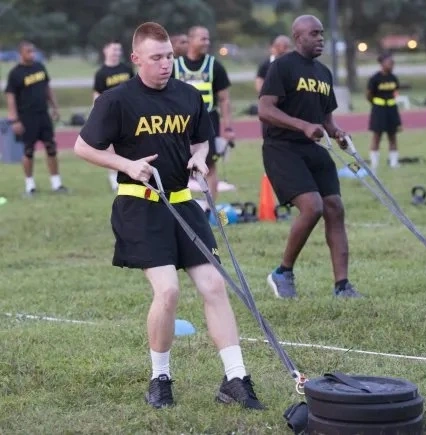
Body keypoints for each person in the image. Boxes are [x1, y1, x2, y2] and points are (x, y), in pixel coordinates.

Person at [73, 22, 264, 410]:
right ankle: (160, 378)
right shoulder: (116, 100)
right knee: (169, 290)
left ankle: (236, 379)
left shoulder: (188, 95)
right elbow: (82, 147)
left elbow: (201, 137)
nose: (165, 65)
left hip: (182, 202)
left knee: (213, 285)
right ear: (136, 58)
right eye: (157, 57)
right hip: (139, 205)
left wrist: (197, 158)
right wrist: (126, 164)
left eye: (169, 58)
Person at [258, 14, 361, 299]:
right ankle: (282, 273)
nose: (320, 39)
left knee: (334, 208)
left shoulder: (323, 72)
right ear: (298, 37)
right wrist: (302, 125)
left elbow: (326, 118)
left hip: (314, 149)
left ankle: (342, 286)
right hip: (282, 148)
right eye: (314, 34)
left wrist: (337, 133)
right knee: (312, 206)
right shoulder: (282, 67)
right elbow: (265, 109)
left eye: (322, 33)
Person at [172, 25, 235, 208]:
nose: (207, 42)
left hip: (208, 122)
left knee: (209, 165)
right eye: (202, 38)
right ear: (191, 40)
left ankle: (210, 208)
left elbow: (224, 99)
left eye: (208, 38)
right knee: (178, 163)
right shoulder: (175, 66)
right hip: (181, 123)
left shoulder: (214, 65)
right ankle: (180, 206)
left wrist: (228, 127)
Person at [4, 40, 68, 196]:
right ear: (21, 53)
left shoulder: (40, 67)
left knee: (51, 148)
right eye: (28, 52)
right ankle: (30, 186)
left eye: (33, 51)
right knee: (28, 151)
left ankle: (56, 184)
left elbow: (47, 88)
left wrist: (54, 107)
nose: (32, 54)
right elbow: (10, 97)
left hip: (43, 115)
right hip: (26, 117)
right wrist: (15, 120)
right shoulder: (15, 74)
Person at [93, 40, 135, 192]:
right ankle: (113, 179)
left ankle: (131, 173)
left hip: (128, 112)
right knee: (111, 147)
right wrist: (97, 114)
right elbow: (97, 95)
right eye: (113, 49)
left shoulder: (126, 68)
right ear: (105, 51)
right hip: (111, 114)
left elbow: (135, 88)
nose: (116, 52)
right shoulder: (101, 73)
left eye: (118, 49)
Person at [366, 51, 402, 171]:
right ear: (382, 64)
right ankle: (374, 163)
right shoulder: (375, 78)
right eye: (389, 63)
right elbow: (369, 95)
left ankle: (394, 163)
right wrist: (376, 103)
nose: (392, 65)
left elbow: (396, 91)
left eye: (393, 63)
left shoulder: (393, 78)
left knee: (393, 136)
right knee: (377, 136)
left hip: (392, 109)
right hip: (379, 110)